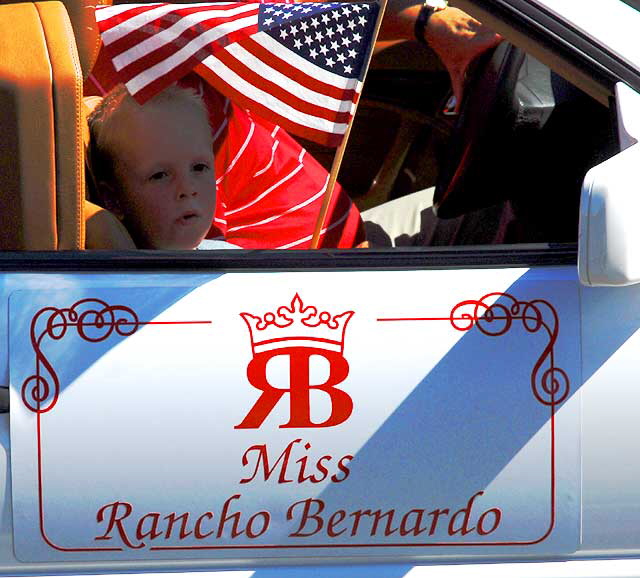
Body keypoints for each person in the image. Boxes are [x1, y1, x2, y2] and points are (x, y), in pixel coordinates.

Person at [87, 83, 236, 250]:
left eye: (199, 167)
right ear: (113, 200)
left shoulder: (238, 262)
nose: (187, 188)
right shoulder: (112, 275)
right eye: (160, 175)